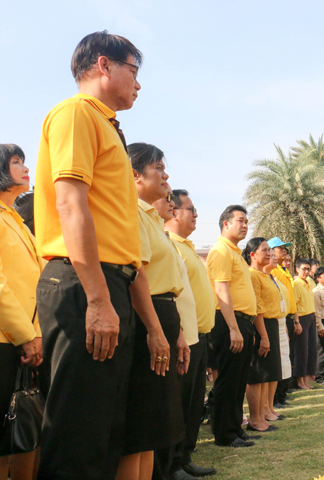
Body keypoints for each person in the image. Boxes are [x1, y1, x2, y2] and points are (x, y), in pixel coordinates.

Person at [34, 31, 146, 480]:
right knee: (78, 430)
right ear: (104, 65)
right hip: (85, 283)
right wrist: (98, 300)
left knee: (104, 428)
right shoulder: (76, 113)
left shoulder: (106, 125)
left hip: (107, 283)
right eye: (134, 71)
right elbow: (70, 206)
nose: (139, 85)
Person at [118, 143, 189, 480]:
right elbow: (138, 276)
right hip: (148, 317)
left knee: (155, 427)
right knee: (141, 425)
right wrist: (156, 331)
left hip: (163, 314)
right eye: (158, 168)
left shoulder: (148, 216)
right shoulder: (131, 212)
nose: (166, 175)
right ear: (134, 175)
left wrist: (176, 334)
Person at [164, 189, 217, 479]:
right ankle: (173, 462)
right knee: (180, 402)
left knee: (194, 401)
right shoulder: (169, 244)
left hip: (200, 335)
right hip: (183, 336)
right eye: (190, 209)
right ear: (173, 211)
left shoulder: (187, 246)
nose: (195, 215)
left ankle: (185, 457)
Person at [0, 145, 43, 480]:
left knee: (22, 429)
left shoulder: (15, 218)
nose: (25, 168)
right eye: (16, 162)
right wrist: (26, 335)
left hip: (25, 342)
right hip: (7, 340)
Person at [206, 205, 257, 447]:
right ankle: (224, 434)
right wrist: (234, 328)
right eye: (240, 220)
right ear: (226, 223)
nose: (245, 225)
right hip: (229, 322)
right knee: (227, 381)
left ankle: (235, 428)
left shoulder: (236, 253)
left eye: (247, 221)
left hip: (242, 322)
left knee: (238, 380)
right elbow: (221, 291)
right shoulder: (221, 252)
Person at [245, 238, 283, 433]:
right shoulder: (252, 275)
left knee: (266, 374)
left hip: (271, 324)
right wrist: (264, 336)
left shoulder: (265, 275)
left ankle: (262, 416)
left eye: (270, 250)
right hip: (261, 326)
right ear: (252, 254)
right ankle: (255, 419)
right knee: (257, 374)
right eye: (265, 250)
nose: (269, 253)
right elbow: (257, 308)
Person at [267, 237, 298, 407]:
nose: (285, 251)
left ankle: (283, 391)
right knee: (279, 357)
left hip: (289, 316)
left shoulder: (284, 271)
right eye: (281, 248)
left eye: (285, 248)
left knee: (287, 356)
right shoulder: (273, 271)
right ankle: (277, 395)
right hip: (278, 317)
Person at [264, 250, 293, 418]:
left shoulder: (274, 277)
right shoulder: (260, 276)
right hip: (268, 322)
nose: (274, 259)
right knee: (271, 367)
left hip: (280, 321)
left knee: (281, 364)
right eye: (270, 256)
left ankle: (272, 405)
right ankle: (268, 405)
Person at [292, 259, 317, 390]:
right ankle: (299, 381)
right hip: (301, 318)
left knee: (310, 349)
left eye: (308, 269)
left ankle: (306, 378)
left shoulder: (308, 283)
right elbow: (294, 304)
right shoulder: (296, 284)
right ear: (297, 269)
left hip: (311, 316)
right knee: (301, 351)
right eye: (304, 269)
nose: (306, 272)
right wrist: (297, 322)